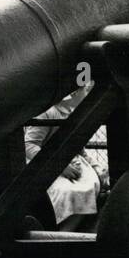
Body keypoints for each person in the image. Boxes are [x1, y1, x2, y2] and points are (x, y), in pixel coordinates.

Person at [24, 84, 103, 229]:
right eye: (85, 90)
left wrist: (96, 166)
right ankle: (62, 232)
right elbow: (29, 146)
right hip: (44, 165)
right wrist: (58, 166)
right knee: (70, 192)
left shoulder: (74, 113)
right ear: (73, 93)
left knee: (91, 186)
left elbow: (79, 148)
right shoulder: (48, 112)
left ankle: (70, 232)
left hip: (71, 163)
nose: (87, 94)